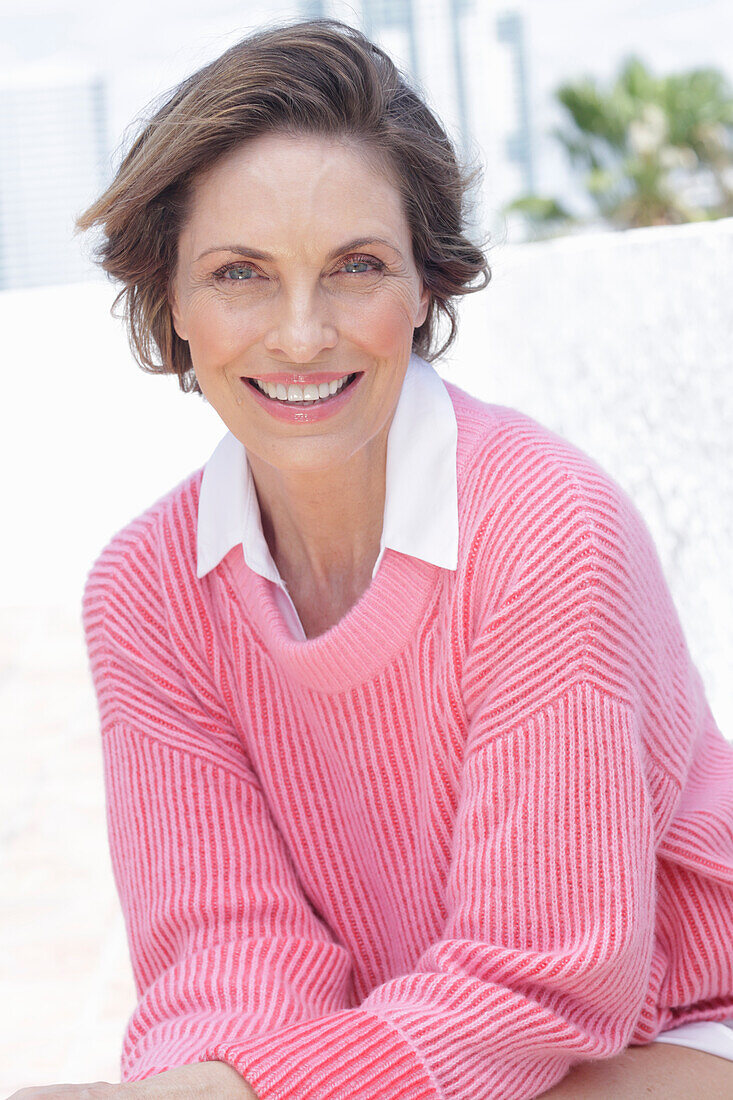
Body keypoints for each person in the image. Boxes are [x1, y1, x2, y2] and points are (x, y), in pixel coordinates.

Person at [9, 18, 733, 1100]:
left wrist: (236, 1090)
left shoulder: (544, 525)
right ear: (171, 301)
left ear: (427, 287)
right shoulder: (147, 590)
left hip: (662, 1027)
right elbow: (224, 957)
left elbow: (542, 979)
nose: (301, 334)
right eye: (240, 273)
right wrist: (212, 1077)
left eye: (355, 267)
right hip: (397, 1052)